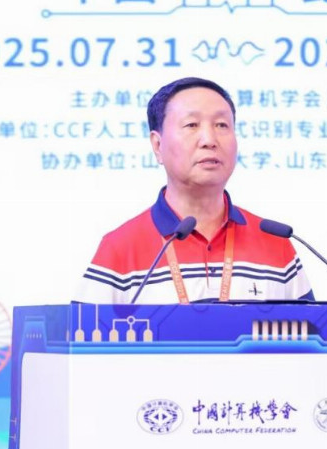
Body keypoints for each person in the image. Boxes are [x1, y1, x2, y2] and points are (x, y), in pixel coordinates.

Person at [78, 77, 313, 304]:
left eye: (221, 125)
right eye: (191, 125)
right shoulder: (119, 249)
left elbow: (308, 331)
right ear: (157, 145)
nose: (209, 140)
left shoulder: (276, 243)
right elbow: (86, 330)